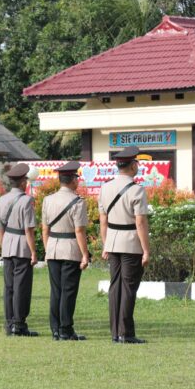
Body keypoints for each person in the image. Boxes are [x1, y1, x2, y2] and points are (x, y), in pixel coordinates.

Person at [99, 146, 150, 344]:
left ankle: (115, 332)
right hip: (130, 242)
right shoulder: (137, 189)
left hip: (112, 240)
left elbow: (103, 220)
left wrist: (105, 244)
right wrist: (146, 249)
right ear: (132, 165)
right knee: (128, 288)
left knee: (115, 287)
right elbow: (140, 222)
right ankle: (126, 333)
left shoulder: (105, 187)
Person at [41, 161, 90, 341]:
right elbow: (79, 231)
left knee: (56, 290)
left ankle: (55, 328)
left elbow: (44, 229)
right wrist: (85, 254)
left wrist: (48, 250)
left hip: (53, 248)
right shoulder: (78, 202)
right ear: (73, 180)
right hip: (70, 249)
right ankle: (66, 329)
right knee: (68, 290)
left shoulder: (48, 200)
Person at [0, 163, 38, 337]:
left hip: (8, 243)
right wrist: (34, 251)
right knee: (22, 286)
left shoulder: (1, 199)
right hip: (21, 244)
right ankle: (19, 324)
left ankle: (9, 322)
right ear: (22, 183)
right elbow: (29, 229)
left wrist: (3, 245)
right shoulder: (27, 200)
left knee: (9, 286)